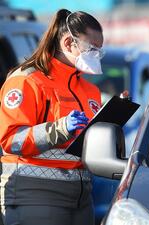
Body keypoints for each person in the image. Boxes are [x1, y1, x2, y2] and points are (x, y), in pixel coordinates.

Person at [0, 9, 104, 225]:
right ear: (68, 44)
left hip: (82, 197)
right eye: (92, 48)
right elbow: (10, 139)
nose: (96, 55)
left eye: (99, 51)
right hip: (35, 195)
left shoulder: (90, 91)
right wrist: (59, 129)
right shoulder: (27, 81)